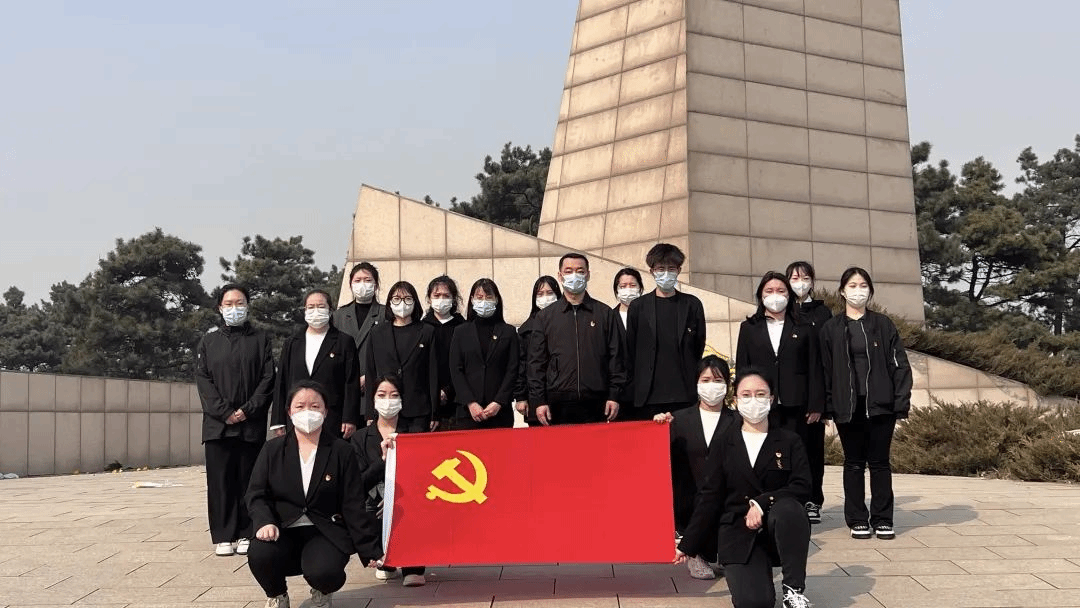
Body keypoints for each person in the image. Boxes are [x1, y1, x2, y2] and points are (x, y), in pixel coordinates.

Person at [676, 368, 812, 608]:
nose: (753, 400)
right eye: (746, 395)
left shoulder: (789, 440)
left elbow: (802, 487)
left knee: (790, 509)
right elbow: (709, 496)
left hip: (778, 527)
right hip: (738, 532)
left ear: (771, 399)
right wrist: (688, 544)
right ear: (736, 400)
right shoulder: (723, 443)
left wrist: (763, 501)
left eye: (760, 394)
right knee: (754, 603)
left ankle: (793, 590)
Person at [246, 381, 382, 608]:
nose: (307, 412)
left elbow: (352, 503)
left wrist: (370, 549)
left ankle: (322, 590)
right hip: (282, 528)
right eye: (300, 406)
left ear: (326, 411)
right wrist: (264, 521)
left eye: (315, 406)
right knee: (260, 553)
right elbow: (256, 493)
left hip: (325, 531)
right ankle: (277, 594)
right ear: (289, 412)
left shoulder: (341, 451)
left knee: (325, 572)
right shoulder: (272, 450)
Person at [819, 267, 912, 540]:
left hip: (881, 405)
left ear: (870, 291)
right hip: (847, 407)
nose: (857, 291)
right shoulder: (831, 329)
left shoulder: (883, 325)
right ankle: (857, 519)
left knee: (880, 463)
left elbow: (900, 365)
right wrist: (827, 406)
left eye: (863, 286)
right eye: (852, 285)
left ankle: (883, 518)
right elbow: (825, 370)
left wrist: (900, 402)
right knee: (854, 463)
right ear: (842, 291)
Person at [735, 271, 824, 523]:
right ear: (760, 295)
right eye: (769, 291)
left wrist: (817, 403)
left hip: (799, 402)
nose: (775, 296)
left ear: (789, 295)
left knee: (803, 453)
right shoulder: (749, 328)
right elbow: (743, 367)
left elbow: (815, 367)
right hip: (764, 404)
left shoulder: (805, 327)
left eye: (781, 291)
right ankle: (766, 501)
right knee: (769, 454)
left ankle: (808, 501)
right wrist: (743, 400)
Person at [195, 284, 276, 557]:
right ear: (220, 308)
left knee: (249, 479)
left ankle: (246, 531)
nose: (234, 308)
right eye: (228, 304)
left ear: (248, 306)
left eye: (239, 303)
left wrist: (247, 410)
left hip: (250, 424)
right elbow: (203, 380)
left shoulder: (261, 340)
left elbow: (268, 379)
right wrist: (224, 412)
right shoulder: (209, 342)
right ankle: (223, 535)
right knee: (220, 482)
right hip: (217, 427)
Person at [653, 355, 738, 580]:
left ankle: (721, 553)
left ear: (727, 385)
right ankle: (694, 553)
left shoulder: (738, 421)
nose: (712, 386)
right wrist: (658, 427)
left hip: (724, 497)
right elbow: (660, 457)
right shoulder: (679, 419)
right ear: (697, 383)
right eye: (706, 380)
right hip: (689, 499)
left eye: (718, 381)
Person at [527, 253, 626, 425]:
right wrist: (539, 400)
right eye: (568, 271)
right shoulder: (545, 317)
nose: (574, 275)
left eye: (580, 271)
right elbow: (536, 362)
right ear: (560, 276)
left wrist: (614, 395)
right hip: (557, 402)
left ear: (588, 275)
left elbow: (616, 357)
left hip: (597, 401)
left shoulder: (604, 313)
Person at [351, 375, 427, 586]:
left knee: (414, 510)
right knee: (371, 512)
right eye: (382, 395)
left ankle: (413, 564)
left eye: (394, 395)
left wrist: (396, 498)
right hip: (374, 505)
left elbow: (423, 477)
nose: (388, 400)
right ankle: (385, 558)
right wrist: (383, 460)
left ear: (402, 399)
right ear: (373, 399)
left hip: (408, 501)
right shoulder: (360, 438)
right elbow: (358, 484)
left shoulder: (415, 433)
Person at [626, 243, 707, 420]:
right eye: (661, 269)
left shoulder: (692, 304)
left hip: (684, 394)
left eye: (671, 269)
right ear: (652, 271)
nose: (666, 274)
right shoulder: (638, 307)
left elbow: (698, 345)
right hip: (647, 396)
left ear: (679, 270)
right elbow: (631, 348)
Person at [271, 290, 360, 441]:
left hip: (332, 417)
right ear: (304, 310)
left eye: (321, 306)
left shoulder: (344, 341)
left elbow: (351, 382)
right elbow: (282, 381)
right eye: (311, 307)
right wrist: (278, 419)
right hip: (297, 417)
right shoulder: (292, 342)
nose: (316, 311)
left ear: (330, 310)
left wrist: (350, 418)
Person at [786, 261, 831, 523]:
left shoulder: (823, 313)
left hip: (813, 394)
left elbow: (826, 360)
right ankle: (792, 498)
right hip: (788, 394)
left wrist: (822, 403)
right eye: (794, 278)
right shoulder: (784, 310)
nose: (800, 282)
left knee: (813, 451)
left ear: (812, 281)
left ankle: (814, 499)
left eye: (804, 278)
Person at [364, 281, 438, 431]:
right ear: (390, 303)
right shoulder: (377, 333)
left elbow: (433, 374)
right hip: (386, 409)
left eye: (408, 299)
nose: (402, 303)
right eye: (397, 299)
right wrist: (369, 412)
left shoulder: (427, 331)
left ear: (415, 302)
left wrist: (435, 413)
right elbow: (371, 373)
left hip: (418, 410)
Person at [449, 279, 520, 429]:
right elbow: (456, 369)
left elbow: (512, 369)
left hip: (500, 412)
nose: (484, 301)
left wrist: (499, 401)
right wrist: (470, 402)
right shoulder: (461, 332)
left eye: (489, 297)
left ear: (496, 300)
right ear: (472, 300)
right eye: (479, 297)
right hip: (467, 412)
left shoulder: (508, 332)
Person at [332, 262, 384, 412]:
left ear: (376, 284)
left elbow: (389, 354)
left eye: (367, 280)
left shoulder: (385, 314)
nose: (362, 285)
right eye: (358, 280)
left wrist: (369, 376)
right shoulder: (339, 316)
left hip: (375, 390)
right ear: (350, 284)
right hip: (344, 391)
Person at [513, 276, 561, 427]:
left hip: (563, 396)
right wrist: (520, 396)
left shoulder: (566, 324)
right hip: (535, 397)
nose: (545, 298)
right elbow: (521, 365)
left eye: (550, 293)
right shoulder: (526, 330)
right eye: (540, 294)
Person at [421, 276, 465, 429]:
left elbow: (466, 364)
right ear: (429, 298)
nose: (441, 299)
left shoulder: (462, 327)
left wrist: (448, 390)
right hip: (427, 403)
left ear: (453, 298)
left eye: (446, 296)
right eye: (437, 295)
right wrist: (434, 392)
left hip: (458, 401)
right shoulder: (422, 328)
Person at [786, 261, 832, 328]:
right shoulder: (784, 309)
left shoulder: (822, 311)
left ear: (812, 283)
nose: (801, 283)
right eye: (795, 278)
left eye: (806, 278)